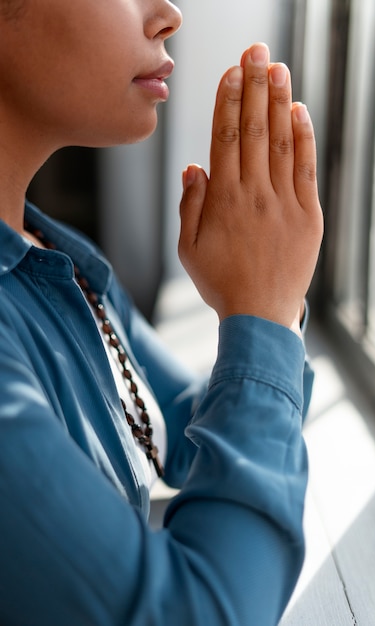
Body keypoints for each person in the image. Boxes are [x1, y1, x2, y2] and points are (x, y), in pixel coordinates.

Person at [0, 1, 323, 625]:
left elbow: (173, 424)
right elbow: (200, 612)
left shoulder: (47, 251)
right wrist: (262, 313)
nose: (168, 13)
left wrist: (268, 286)